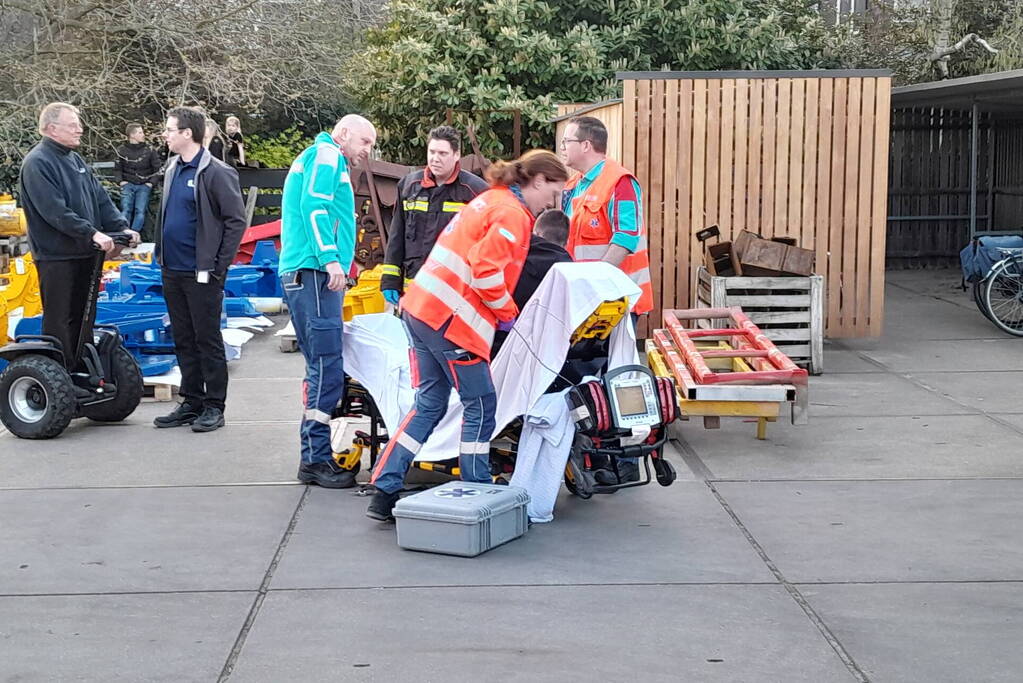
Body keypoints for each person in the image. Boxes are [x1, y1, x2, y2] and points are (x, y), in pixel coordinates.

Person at [367, 150, 569, 521]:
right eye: (554, 192)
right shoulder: (511, 214)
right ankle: (478, 495)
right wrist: (509, 316)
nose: (552, 203)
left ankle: (384, 486)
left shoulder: (489, 200)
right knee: (480, 405)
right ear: (538, 180)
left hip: (421, 311)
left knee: (429, 404)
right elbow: (486, 271)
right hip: (452, 323)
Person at [279, 114, 377, 488]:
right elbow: (314, 208)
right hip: (314, 273)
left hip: (305, 271)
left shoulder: (315, 156)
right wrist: (330, 259)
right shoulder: (327, 156)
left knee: (320, 364)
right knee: (327, 364)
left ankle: (314, 455)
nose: (367, 151)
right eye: (365, 142)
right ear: (344, 134)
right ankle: (315, 459)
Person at [560, 115, 653, 484]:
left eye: (567, 141)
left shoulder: (619, 182)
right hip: (587, 303)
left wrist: (595, 283)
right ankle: (598, 457)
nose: (563, 147)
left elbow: (627, 237)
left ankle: (626, 462)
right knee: (588, 379)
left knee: (619, 379)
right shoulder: (574, 186)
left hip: (615, 301)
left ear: (586, 145)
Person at [18, 102, 139, 377]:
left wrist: (121, 227)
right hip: (56, 256)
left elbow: (100, 197)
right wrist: (92, 233)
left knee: (85, 319)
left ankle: (82, 372)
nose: (80, 130)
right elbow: (55, 211)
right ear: (51, 128)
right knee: (60, 320)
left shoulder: (75, 160)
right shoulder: (38, 163)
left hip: (86, 253)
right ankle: (57, 377)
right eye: (73, 125)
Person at [152, 106, 247, 433]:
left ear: (187, 134)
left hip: (202, 273)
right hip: (172, 270)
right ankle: (191, 401)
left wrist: (218, 266)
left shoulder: (216, 172)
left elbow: (236, 222)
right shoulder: (171, 169)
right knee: (183, 338)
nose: (165, 135)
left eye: (169, 130)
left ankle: (214, 406)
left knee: (207, 340)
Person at [379, 125, 488, 304]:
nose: (435, 159)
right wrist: (390, 280)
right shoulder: (408, 186)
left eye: (442, 154)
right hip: (414, 286)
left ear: (456, 155)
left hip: (454, 290)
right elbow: (397, 235)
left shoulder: (475, 191)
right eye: (432, 152)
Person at [114, 122, 163, 238]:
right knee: (126, 209)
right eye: (140, 132)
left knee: (140, 210)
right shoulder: (121, 150)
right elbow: (117, 169)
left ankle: (134, 235)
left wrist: (151, 183)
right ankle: (124, 233)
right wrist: (120, 181)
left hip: (144, 185)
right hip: (127, 183)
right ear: (132, 135)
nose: (143, 134)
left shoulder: (149, 150)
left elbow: (158, 168)